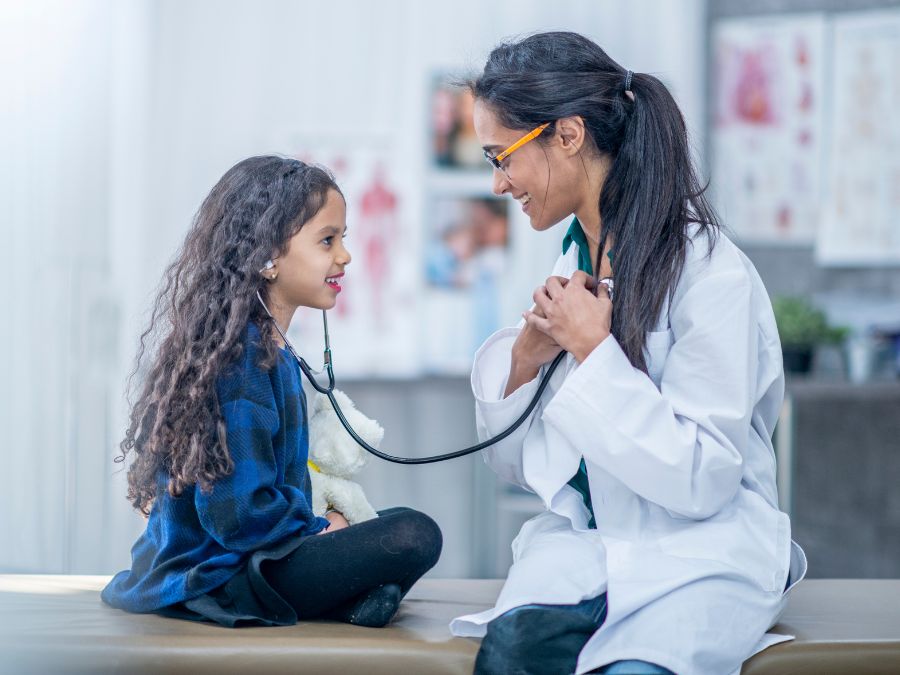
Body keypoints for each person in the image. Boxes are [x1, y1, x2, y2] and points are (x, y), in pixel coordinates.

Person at [449, 32, 807, 675]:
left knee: (636, 670)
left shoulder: (710, 273)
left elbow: (702, 480)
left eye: (503, 157)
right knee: (511, 653)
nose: (499, 183)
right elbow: (516, 466)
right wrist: (526, 362)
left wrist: (593, 352)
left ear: (567, 134)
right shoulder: (573, 267)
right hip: (596, 549)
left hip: (705, 556)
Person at [103, 156, 441, 628]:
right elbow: (238, 514)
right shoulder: (240, 361)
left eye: (343, 239)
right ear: (267, 257)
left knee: (398, 520)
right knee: (413, 534)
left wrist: (320, 528)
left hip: (253, 559)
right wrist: (319, 528)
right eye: (328, 240)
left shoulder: (265, 349)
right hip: (220, 578)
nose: (344, 256)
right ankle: (354, 598)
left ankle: (356, 597)